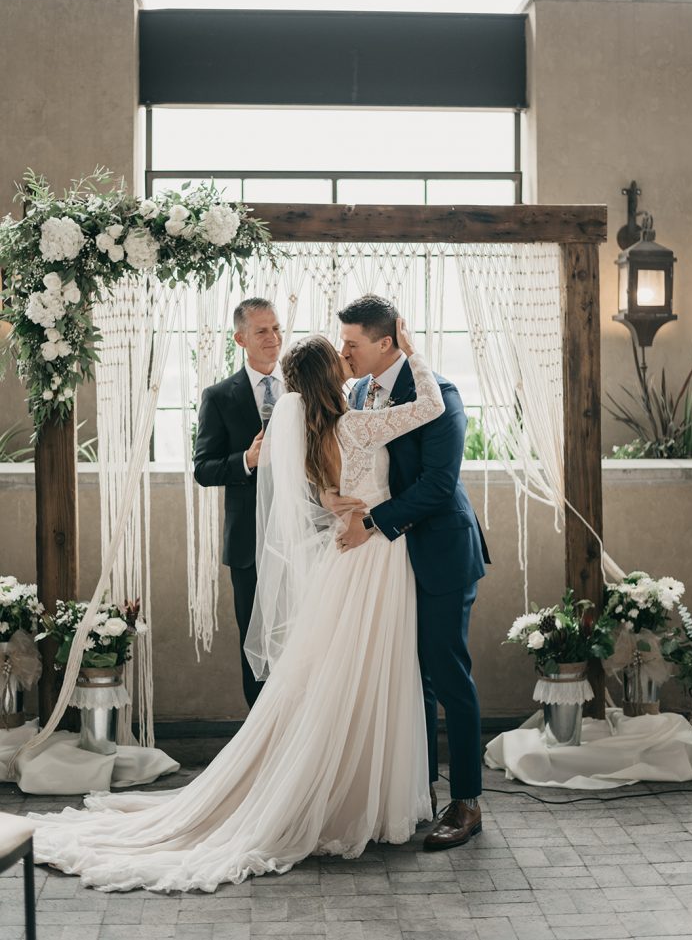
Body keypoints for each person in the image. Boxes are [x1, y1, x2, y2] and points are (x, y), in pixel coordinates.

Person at [29, 319, 444, 892]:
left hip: (344, 558)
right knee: (371, 672)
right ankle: (354, 799)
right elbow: (428, 408)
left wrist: (333, 497)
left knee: (344, 675)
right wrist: (413, 352)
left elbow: (320, 494)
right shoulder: (356, 427)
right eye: (341, 354)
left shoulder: (314, 428)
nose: (349, 357)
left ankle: (345, 791)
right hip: (372, 556)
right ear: (331, 374)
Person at [332, 294, 490, 852]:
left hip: (440, 552)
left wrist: (372, 521)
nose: (343, 351)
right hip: (387, 557)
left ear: (385, 342)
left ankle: (467, 801)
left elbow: (437, 485)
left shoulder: (439, 394)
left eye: (351, 342)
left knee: (448, 674)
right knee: (410, 675)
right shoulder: (355, 392)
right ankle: (417, 791)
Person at [194, 297, 284, 708]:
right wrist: (247, 460)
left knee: (298, 640)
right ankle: (260, 741)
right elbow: (204, 468)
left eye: (277, 328)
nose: (273, 338)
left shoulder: (300, 387)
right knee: (255, 645)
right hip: (248, 545)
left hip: (299, 540)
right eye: (262, 331)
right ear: (241, 338)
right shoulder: (219, 397)